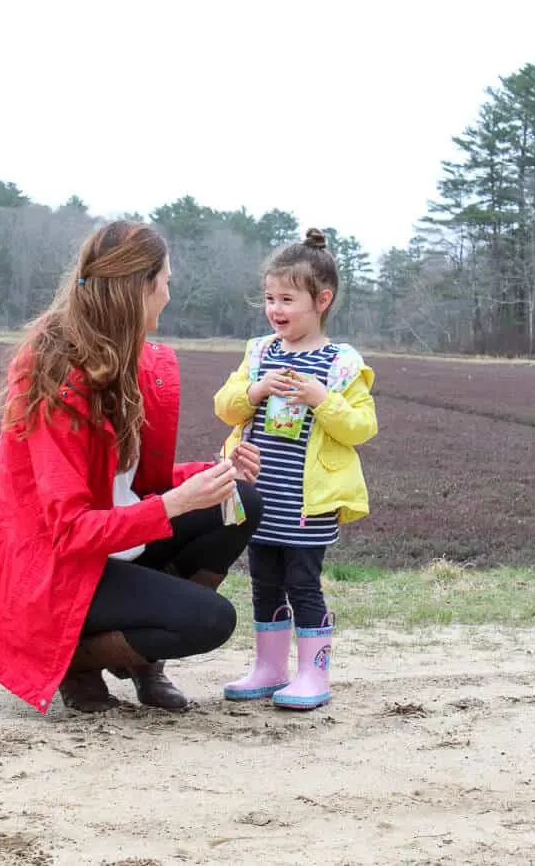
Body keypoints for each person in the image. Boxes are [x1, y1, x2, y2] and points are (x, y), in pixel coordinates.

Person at [0, 221, 263, 715]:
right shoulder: (55, 373)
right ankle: (77, 660)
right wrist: (176, 503)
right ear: (139, 288)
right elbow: (70, 528)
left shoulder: (129, 359)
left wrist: (212, 475)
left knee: (240, 503)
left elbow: (128, 481)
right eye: (165, 279)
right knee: (210, 620)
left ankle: (142, 657)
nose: (168, 292)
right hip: (52, 563)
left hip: (109, 538)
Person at [213, 228, 377, 710]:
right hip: (258, 497)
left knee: (303, 583)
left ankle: (313, 673)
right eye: (269, 298)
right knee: (263, 580)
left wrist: (321, 399)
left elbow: (362, 427)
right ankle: (269, 668)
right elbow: (225, 407)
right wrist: (258, 390)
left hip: (309, 503)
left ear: (322, 300)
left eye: (287, 298)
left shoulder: (342, 364)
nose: (275, 309)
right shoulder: (260, 353)